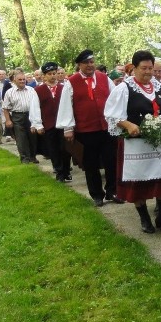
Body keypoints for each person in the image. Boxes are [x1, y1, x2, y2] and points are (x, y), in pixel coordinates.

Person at [105, 50, 161, 233]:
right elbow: (111, 115)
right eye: (144, 68)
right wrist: (127, 124)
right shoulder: (124, 89)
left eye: (150, 68)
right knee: (138, 184)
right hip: (136, 145)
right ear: (134, 68)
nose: (148, 72)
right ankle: (144, 218)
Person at [56, 49, 119, 207]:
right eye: (86, 63)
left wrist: (118, 120)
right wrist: (68, 128)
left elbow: (115, 98)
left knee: (111, 161)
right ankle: (97, 194)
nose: (90, 65)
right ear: (79, 65)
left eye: (92, 62)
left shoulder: (104, 78)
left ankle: (112, 191)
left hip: (106, 128)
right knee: (90, 164)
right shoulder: (71, 82)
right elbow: (66, 106)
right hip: (86, 130)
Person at [35, 61, 73, 182]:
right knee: (53, 149)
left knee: (65, 149)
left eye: (54, 73)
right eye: (49, 74)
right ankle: (59, 171)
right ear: (44, 76)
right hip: (48, 124)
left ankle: (66, 170)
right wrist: (37, 124)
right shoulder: (38, 90)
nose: (52, 76)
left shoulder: (64, 88)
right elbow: (35, 108)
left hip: (63, 124)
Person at [2, 69, 43, 163]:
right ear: (15, 80)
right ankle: (24, 158)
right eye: (20, 79)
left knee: (32, 137)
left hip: (30, 115)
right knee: (21, 138)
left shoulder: (31, 90)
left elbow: (36, 105)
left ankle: (33, 156)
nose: (22, 81)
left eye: (23, 79)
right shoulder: (9, 92)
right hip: (17, 116)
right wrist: (8, 120)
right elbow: (5, 108)